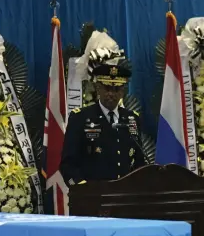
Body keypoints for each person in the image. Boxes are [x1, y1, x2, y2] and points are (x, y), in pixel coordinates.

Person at [60, 33, 145, 186]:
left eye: (116, 89)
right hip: (93, 197)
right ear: (97, 88)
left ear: (123, 91)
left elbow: (139, 161)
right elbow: (68, 164)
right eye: (106, 88)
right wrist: (82, 188)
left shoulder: (132, 118)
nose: (111, 94)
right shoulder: (81, 118)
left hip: (125, 198)